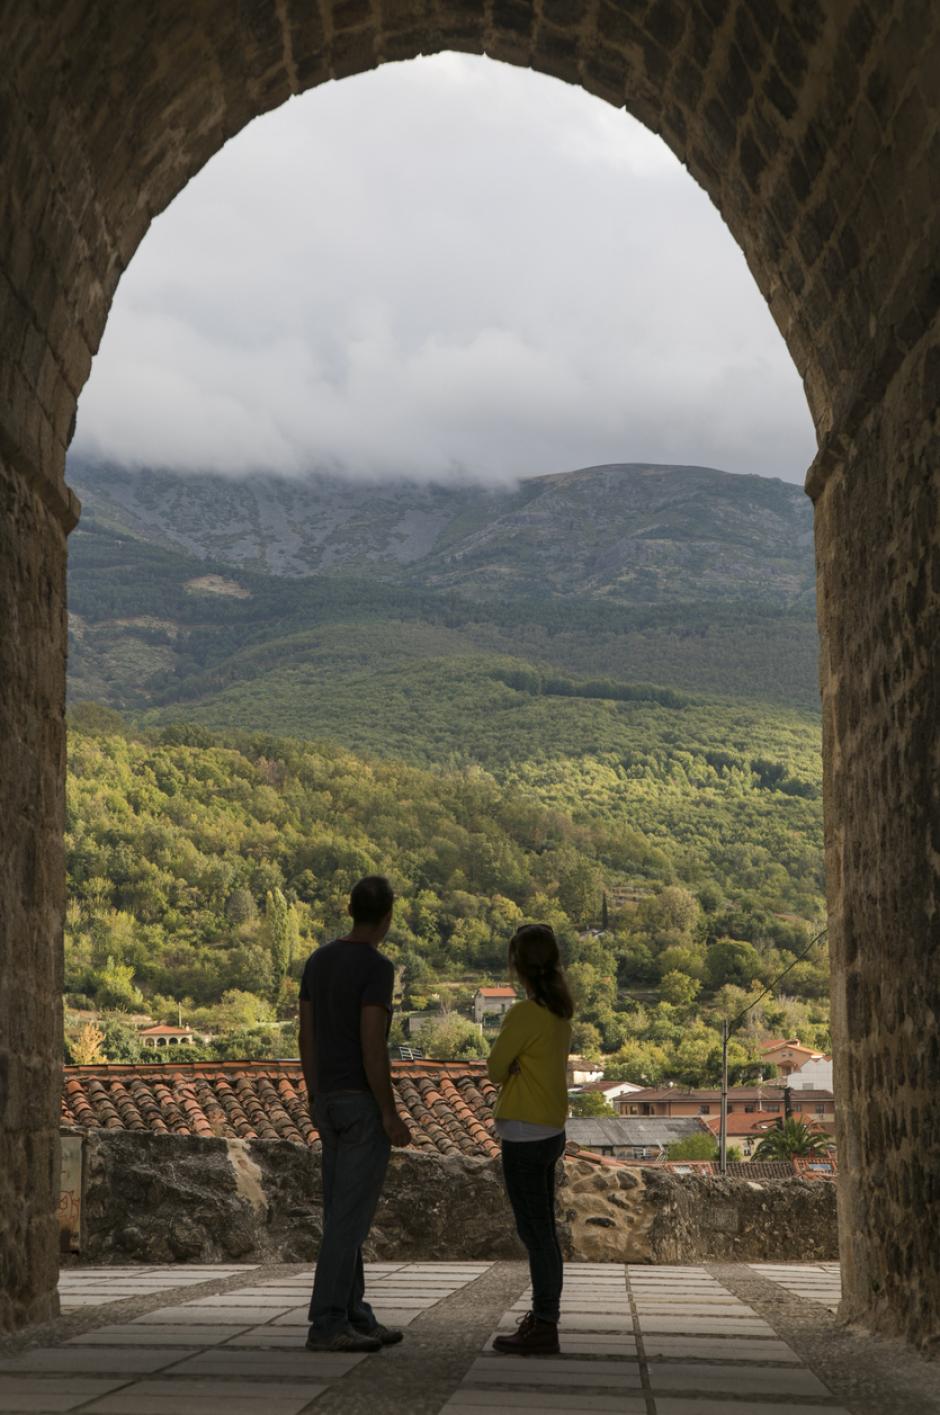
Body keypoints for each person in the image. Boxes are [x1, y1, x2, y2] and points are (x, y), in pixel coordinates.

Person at [298, 874, 411, 1353]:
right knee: (349, 1221)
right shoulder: (377, 968)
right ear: (387, 917)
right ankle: (327, 1322)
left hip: (327, 1100)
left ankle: (354, 1313)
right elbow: (373, 1044)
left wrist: (314, 1094)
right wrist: (389, 1112)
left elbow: (306, 1035)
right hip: (360, 1105)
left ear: (350, 910)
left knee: (342, 1214)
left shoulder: (318, 961)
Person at [486, 923, 574, 1355]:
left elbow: (495, 1068)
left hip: (523, 1131)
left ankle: (544, 1323)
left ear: (517, 965)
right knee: (544, 1231)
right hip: (551, 1129)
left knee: (535, 1232)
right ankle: (545, 1318)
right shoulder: (559, 1011)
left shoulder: (524, 1014)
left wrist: (513, 1064)